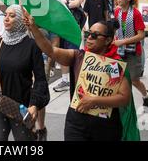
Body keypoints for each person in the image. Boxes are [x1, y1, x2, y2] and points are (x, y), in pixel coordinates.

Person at [25, 12, 139, 141]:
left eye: (95, 35)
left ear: (108, 40)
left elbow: (124, 98)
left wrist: (95, 100)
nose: (89, 37)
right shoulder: (78, 56)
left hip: (106, 127)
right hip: (76, 123)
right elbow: (50, 50)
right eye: (88, 34)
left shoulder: (114, 65)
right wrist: (34, 28)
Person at [0, 5, 50, 141]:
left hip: (21, 107)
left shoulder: (31, 46)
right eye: (5, 15)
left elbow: (40, 80)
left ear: (20, 20)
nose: (6, 19)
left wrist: (34, 105)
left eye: (12, 16)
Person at [113, 0, 148, 111]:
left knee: (134, 80)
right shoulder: (117, 12)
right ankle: (123, 103)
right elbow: (117, 29)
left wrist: (122, 41)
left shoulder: (136, 13)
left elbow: (141, 35)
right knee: (118, 78)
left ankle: (146, 95)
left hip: (133, 51)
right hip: (119, 50)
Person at [52, 0, 86, 91]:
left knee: (73, 51)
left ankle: (76, 79)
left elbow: (76, 3)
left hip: (73, 21)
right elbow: (53, 2)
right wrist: (68, 1)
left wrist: (62, 2)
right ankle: (65, 80)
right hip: (58, 21)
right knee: (61, 51)